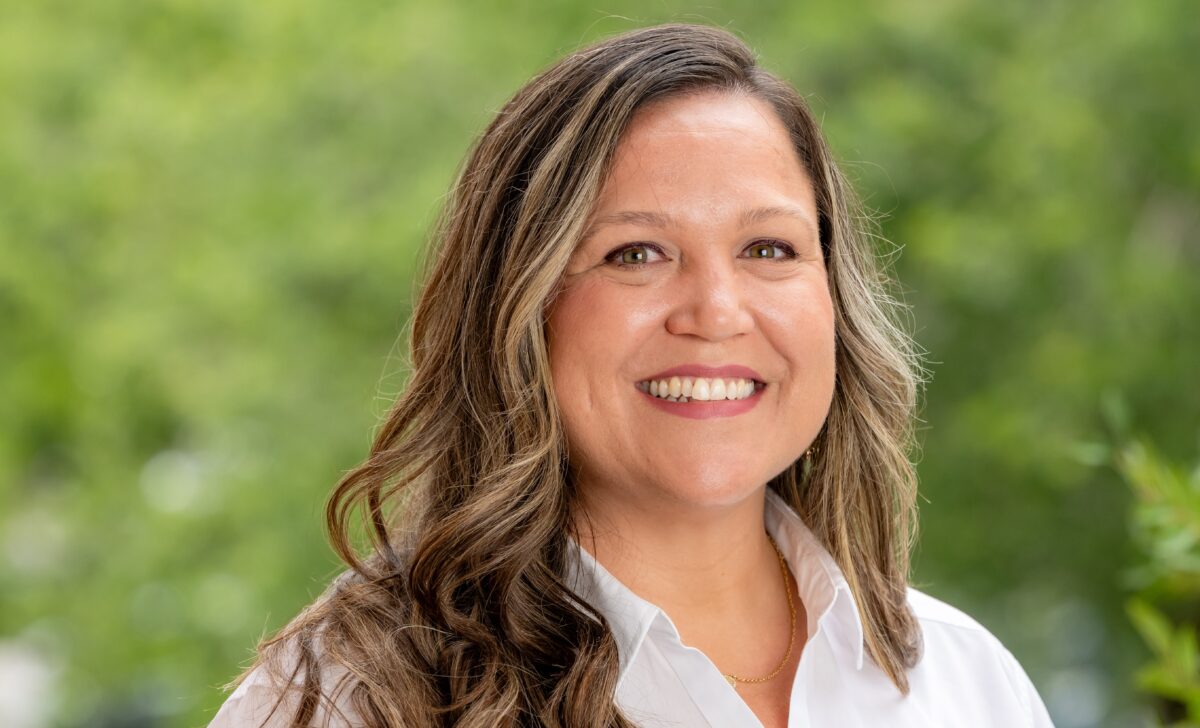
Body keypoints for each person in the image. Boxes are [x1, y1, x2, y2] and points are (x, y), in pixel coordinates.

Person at [209, 23, 1054, 728]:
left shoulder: (965, 684)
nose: (716, 311)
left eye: (768, 248)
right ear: (520, 310)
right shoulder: (345, 700)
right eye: (636, 253)